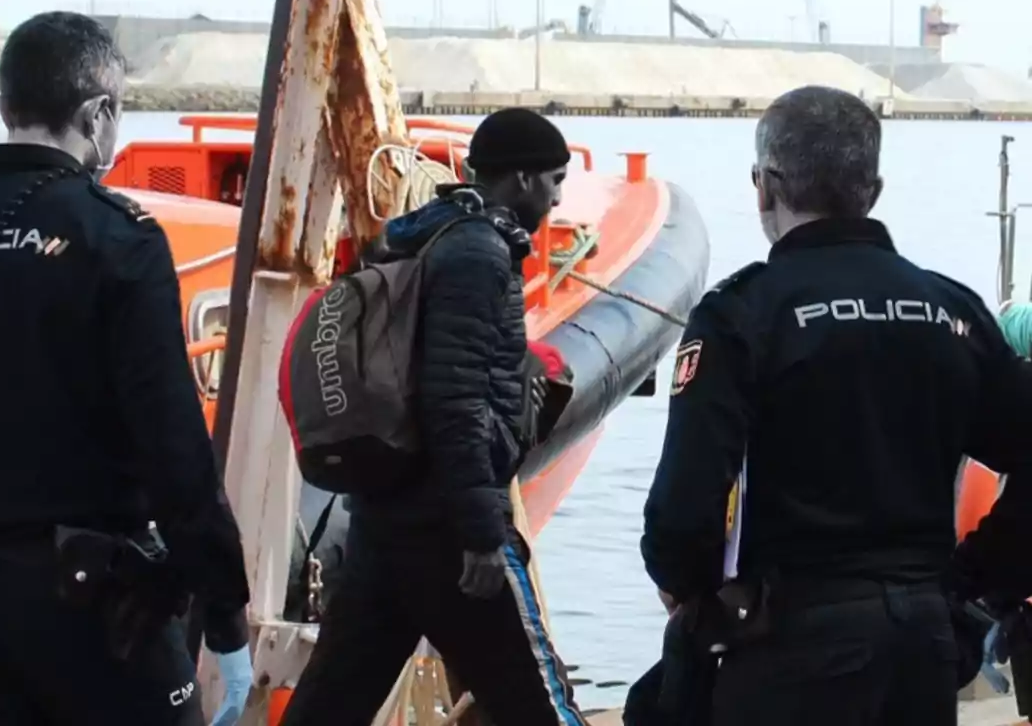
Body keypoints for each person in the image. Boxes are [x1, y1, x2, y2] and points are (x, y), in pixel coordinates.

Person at [0, 11, 252, 725]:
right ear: (100, 114)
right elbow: (175, 450)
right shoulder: (115, 239)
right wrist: (225, 614)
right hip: (97, 610)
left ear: (5, 106)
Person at [640, 84, 1032, 726]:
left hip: (791, 643)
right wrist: (974, 587)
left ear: (764, 186)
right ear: (872, 190)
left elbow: (685, 507)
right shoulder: (951, 311)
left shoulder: (742, 316)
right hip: (923, 642)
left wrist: (689, 590)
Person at [279, 108, 586, 726]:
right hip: (448, 529)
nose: (557, 196)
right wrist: (480, 533)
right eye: (554, 179)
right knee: (539, 703)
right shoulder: (479, 255)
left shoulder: (417, 236)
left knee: (330, 703)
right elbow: (456, 399)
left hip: (384, 518)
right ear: (521, 179)